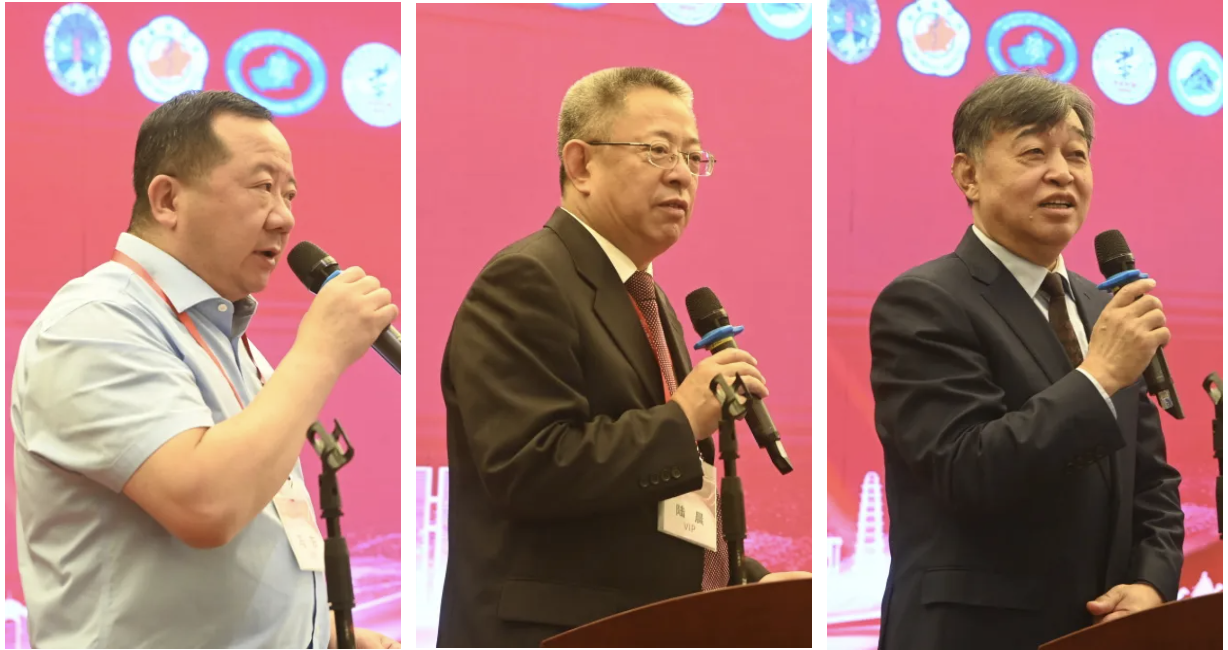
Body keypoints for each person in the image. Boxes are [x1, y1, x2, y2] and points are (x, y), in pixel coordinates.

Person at [11, 90, 401, 649]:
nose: (285, 218)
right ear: (168, 199)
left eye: (290, 194)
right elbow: (206, 505)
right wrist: (321, 351)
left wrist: (319, 636)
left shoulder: (229, 338)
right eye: (262, 187)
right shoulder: (94, 323)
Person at [437, 67, 808, 647]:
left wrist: (746, 582)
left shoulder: (647, 298)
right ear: (581, 164)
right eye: (658, 150)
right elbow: (527, 469)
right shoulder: (527, 278)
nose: (681, 174)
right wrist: (681, 420)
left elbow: (658, 510)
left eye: (694, 157)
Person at [868, 72, 1185, 649]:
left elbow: (1151, 480)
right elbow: (965, 468)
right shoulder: (924, 301)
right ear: (968, 174)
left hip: (1101, 630)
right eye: (1034, 152)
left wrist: (1150, 583)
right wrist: (1098, 377)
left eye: (1077, 154)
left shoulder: (1103, 308)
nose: (1062, 172)